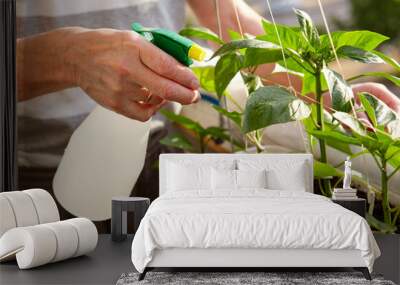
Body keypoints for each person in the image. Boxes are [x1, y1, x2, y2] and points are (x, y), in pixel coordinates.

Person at [17, 0, 399, 225]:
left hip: (150, 147)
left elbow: (230, 21)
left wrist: (325, 88)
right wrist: (67, 56)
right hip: (21, 169)